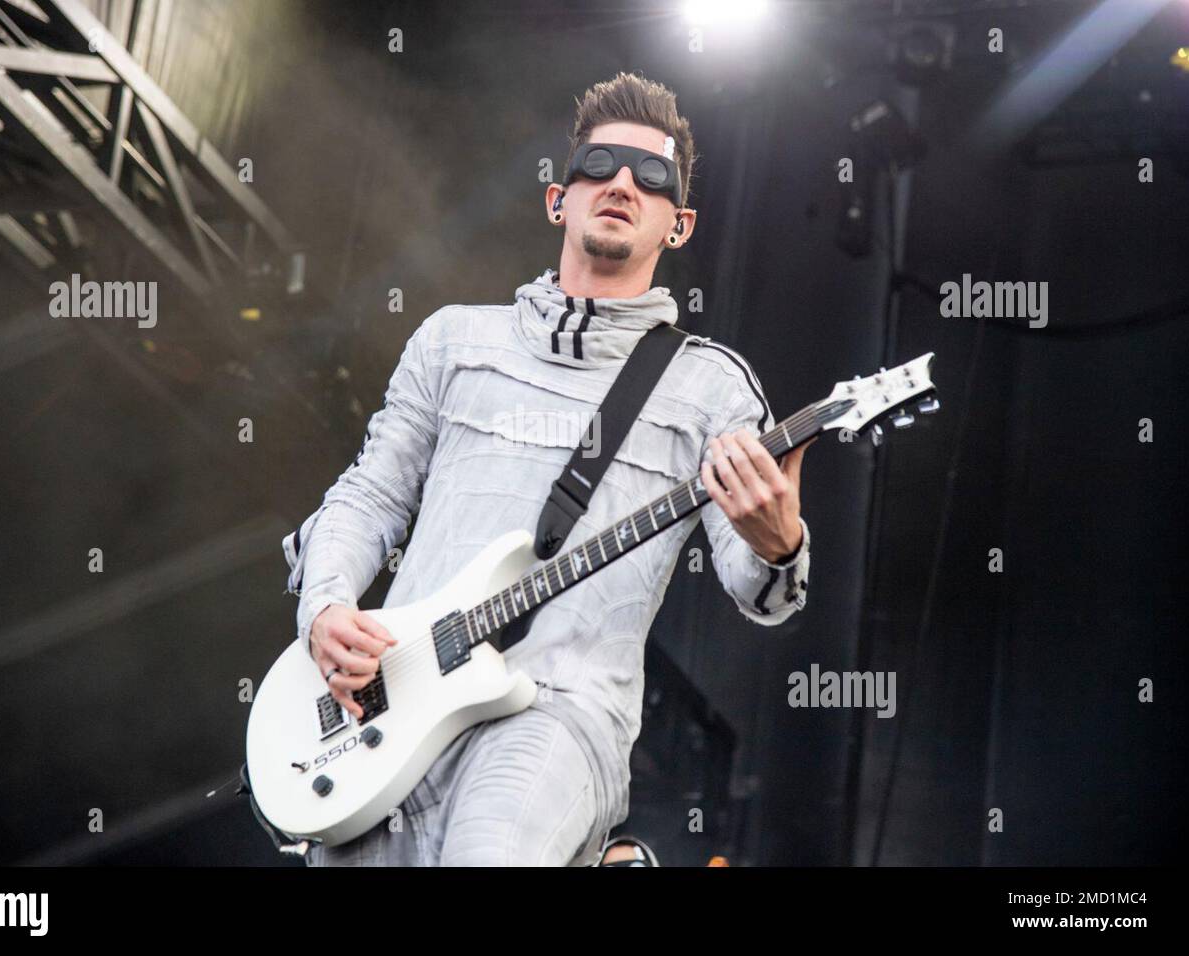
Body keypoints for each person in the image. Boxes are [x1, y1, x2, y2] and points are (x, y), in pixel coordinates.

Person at [283, 71, 813, 866]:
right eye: (598, 167)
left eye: (653, 177)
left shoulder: (710, 387)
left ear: (681, 224)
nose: (623, 185)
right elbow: (367, 496)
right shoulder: (454, 341)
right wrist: (325, 610)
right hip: (392, 712)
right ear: (557, 201)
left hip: (561, 715)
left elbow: (760, 591)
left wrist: (779, 542)